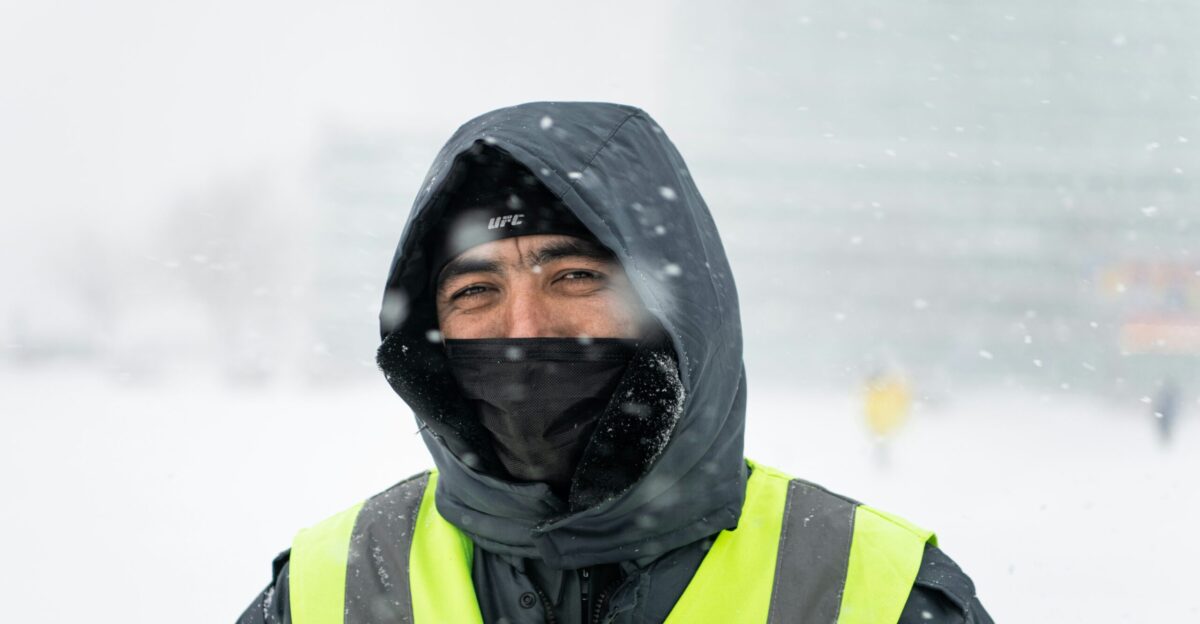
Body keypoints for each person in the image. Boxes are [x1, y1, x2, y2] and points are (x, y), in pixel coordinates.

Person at [238, 102, 992, 623]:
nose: (525, 329)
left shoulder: (872, 592)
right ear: (430, 332)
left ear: (672, 309)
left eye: (574, 278)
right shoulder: (327, 590)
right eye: (476, 290)